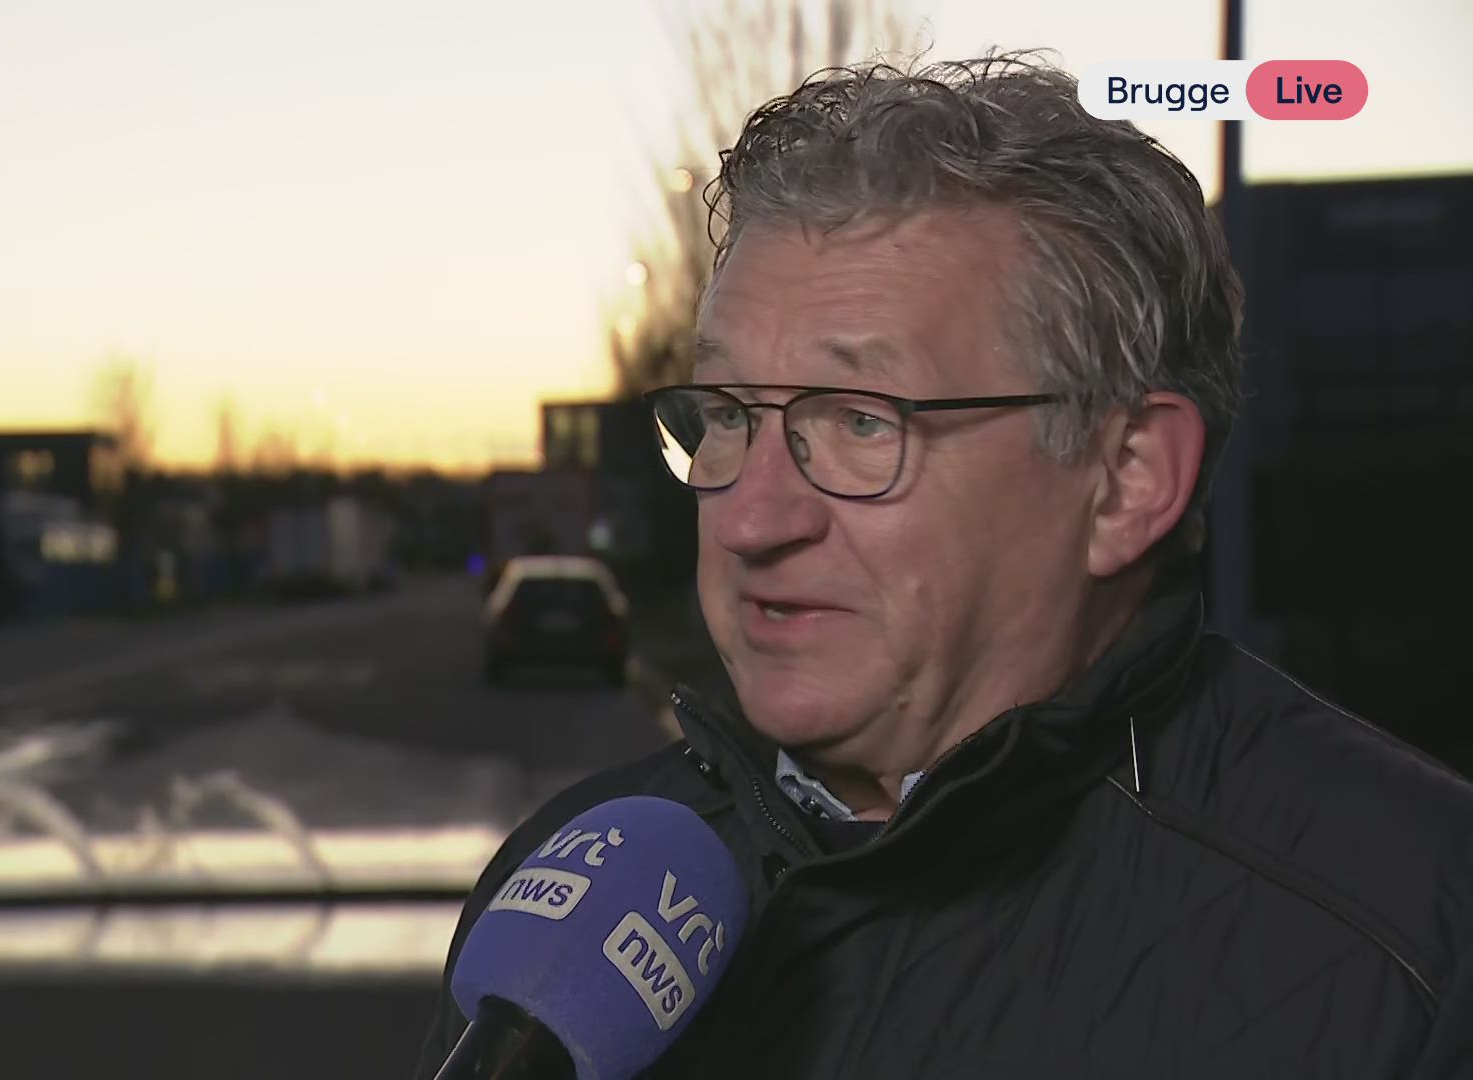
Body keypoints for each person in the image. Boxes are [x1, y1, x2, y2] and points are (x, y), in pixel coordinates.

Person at [418, 54, 1473, 1078]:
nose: (750, 516)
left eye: (861, 423)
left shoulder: (1414, 948)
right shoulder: (569, 886)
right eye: (730, 414)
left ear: (1126, 478)